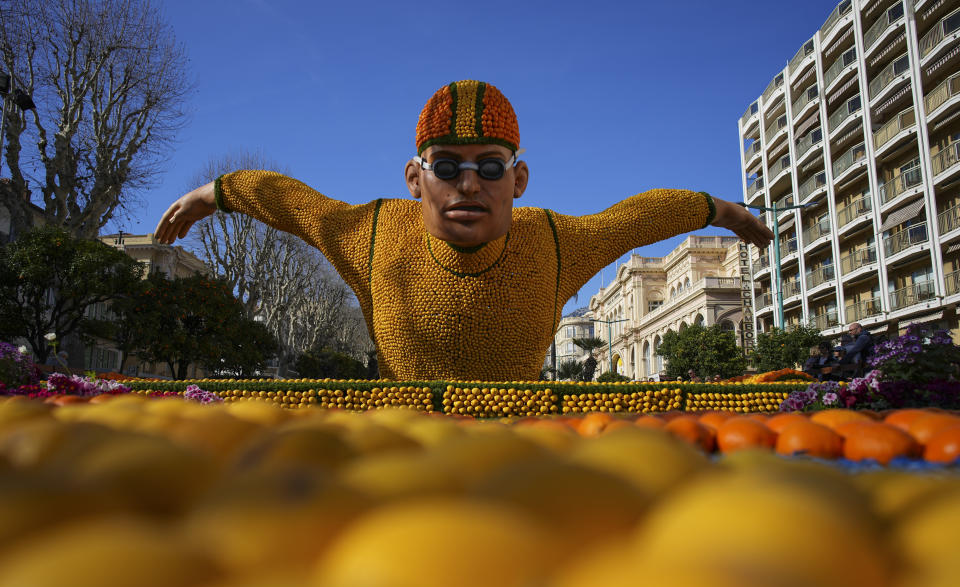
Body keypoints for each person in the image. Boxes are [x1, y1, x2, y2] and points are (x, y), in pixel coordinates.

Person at [155, 80, 773, 381]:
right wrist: (217, 193)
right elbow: (297, 203)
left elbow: (635, 217)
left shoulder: (552, 241)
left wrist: (724, 212)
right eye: (447, 166)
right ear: (414, 179)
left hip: (523, 457)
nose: (469, 184)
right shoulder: (373, 235)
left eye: (490, 167)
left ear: (519, 179)